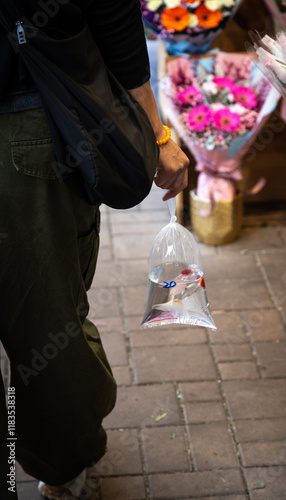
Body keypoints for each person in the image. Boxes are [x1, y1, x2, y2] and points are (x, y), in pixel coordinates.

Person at [0, 1, 189, 499]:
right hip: (27, 125)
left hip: (25, 125)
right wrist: (158, 133)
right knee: (46, 323)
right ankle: (61, 470)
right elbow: (114, 22)